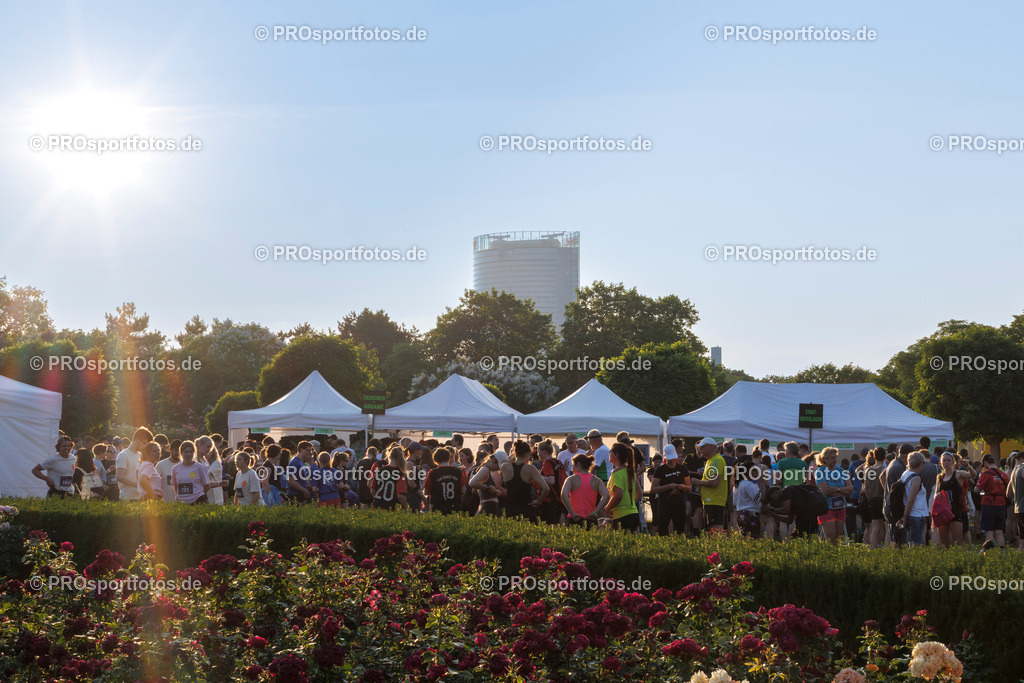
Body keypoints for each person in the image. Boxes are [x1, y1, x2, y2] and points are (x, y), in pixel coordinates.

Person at [500, 440, 550, 522]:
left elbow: (509, 460)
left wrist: (514, 455)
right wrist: (539, 501)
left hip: (510, 508)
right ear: (528, 453)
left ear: (515, 452)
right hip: (526, 508)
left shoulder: (504, 467)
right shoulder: (530, 468)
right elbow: (546, 488)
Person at [935, 452, 976, 548]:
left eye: (948, 460)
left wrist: (968, 466)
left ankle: (959, 561)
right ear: (940, 463)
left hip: (956, 510)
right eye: (944, 461)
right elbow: (936, 492)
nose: (946, 463)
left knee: (958, 543)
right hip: (943, 511)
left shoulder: (958, 474)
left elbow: (973, 475)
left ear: (953, 462)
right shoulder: (940, 477)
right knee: (945, 544)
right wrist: (937, 495)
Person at [815, 447, 853, 544]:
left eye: (835, 457)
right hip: (827, 508)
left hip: (840, 507)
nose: (835, 460)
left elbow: (850, 488)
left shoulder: (840, 470)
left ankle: (836, 558)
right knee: (830, 538)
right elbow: (826, 491)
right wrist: (843, 491)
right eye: (832, 458)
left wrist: (837, 489)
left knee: (839, 538)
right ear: (825, 459)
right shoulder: (820, 472)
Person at [649, 444, 689, 536]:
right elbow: (653, 489)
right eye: (669, 458)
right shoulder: (660, 470)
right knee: (662, 531)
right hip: (665, 504)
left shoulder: (682, 468)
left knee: (679, 531)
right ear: (665, 457)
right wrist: (668, 486)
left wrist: (681, 486)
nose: (671, 460)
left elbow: (688, 487)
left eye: (673, 458)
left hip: (679, 504)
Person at [561, 453, 609, 528]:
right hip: (591, 518)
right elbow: (606, 496)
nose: (571, 469)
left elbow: (564, 494)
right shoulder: (597, 480)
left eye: (573, 465)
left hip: (574, 518)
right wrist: (595, 512)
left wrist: (572, 512)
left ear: (578, 465)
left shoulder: (571, 479)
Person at [692, 437, 727, 532]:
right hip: (710, 500)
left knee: (715, 527)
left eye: (702, 447)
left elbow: (715, 482)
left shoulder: (716, 460)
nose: (700, 450)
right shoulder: (710, 460)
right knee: (712, 527)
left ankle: (719, 546)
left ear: (711, 447)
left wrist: (697, 482)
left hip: (714, 500)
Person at [604, 442, 640, 532]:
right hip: (633, 513)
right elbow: (639, 493)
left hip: (621, 516)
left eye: (610, 451)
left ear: (616, 455)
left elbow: (618, 494)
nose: (609, 453)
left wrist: (607, 508)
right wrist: (629, 505)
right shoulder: (630, 471)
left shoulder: (616, 473)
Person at [975, 454, 1009, 548]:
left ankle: (989, 555)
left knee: (989, 531)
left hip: (988, 504)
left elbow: (976, 489)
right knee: (999, 531)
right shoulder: (1003, 474)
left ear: (985, 463)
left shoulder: (986, 474)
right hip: (1001, 503)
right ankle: (1001, 554)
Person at [423, 447, 466, 515]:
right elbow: (463, 491)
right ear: (449, 458)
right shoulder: (458, 471)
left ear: (435, 460)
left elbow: (426, 491)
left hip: (438, 508)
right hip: (455, 507)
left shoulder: (432, 473)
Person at [859, 448, 887, 547]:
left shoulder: (869, 470)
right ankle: (880, 547)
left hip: (872, 499)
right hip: (882, 499)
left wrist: (869, 498)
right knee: (885, 527)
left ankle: (872, 548)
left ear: (874, 457)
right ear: (884, 457)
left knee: (874, 527)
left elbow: (866, 487)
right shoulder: (884, 470)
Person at [899, 452, 929, 547]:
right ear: (920, 463)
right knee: (916, 544)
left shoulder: (905, 474)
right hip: (917, 514)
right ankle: (914, 561)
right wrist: (905, 516)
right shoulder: (916, 478)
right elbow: (911, 499)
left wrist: (905, 515)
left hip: (909, 513)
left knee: (911, 542)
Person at [117, 428, 152, 501]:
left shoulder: (141, 455)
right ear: (137, 439)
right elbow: (120, 477)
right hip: (128, 497)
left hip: (141, 497)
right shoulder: (123, 455)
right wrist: (139, 485)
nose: (145, 447)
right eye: (145, 444)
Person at [172, 440, 210, 505]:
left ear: (194, 453)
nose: (188, 454)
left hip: (198, 500)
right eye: (186, 452)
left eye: (191, 452)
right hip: (182, 502)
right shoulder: (175, 469)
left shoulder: (200, 467)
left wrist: (196, 495)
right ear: (181, 453)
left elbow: (206, 485)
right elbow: (175, 486)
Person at [536, 441, 566, 525]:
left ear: (544, 452)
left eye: (538, 451)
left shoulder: (547, 463)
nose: (538, 454)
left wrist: (537, 476)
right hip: (559, 498)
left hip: (550, 500)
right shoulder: (558, 462)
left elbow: (551, 480)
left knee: (549, 526)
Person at [734, 460, 763, 538]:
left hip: (741, 514)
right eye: (754, 470)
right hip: (750, 515)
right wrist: (762, 482)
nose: (756, 472)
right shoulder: (748, 484)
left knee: (744, 538)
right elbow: (759, 498)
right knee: (753, 539)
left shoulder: (738, 484)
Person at [197, 436, 224, 505]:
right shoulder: (203, 462)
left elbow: (206, 476)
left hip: (215, 498)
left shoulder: (216, 463)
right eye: (207, 447)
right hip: (206, 497)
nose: (209, 450)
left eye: (210, 449)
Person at [1006, 454, 1024, 551]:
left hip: (1018, 508)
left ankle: (1019, 563)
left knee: (1022, 541)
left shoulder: (1014, 471)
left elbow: (1008, 494)